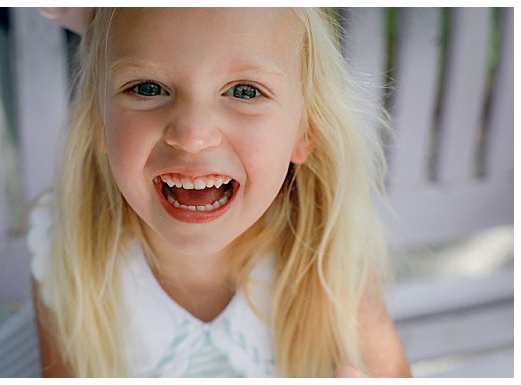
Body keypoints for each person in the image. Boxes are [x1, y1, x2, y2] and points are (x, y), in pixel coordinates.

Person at [30, 8, 409, 377]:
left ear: (305, 129)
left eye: (245, 91)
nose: (193, 136)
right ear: (99, 118)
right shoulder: (66, 247)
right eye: (147, 88)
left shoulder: (331, 250)